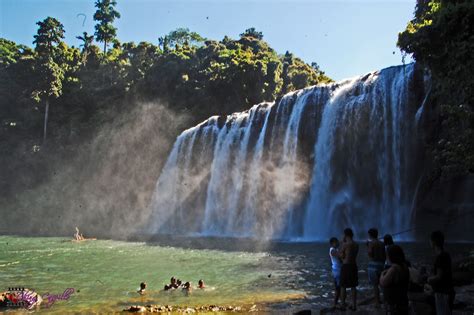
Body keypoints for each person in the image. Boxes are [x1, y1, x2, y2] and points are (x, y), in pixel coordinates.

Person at [428, 231, 454, 315]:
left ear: (434, 242)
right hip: (448, 290)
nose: (430, 242)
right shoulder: (446, 254)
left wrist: (429, 279)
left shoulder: (440, 257)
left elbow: (439, 276)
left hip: (443, 293)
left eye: (430, 240)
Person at [380, 245, 410, 315]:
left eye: (387, 255)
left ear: (391, 256)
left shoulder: (394, 269)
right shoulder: (404, 265)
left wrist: (382, 274)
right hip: (403, 300)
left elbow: (382, 282)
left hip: (394, 304)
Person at [339, 228, 359, 311]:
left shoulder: (345, 244)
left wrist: (342, 244)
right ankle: (354, 305)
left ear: (345, 235)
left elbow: (342, 256)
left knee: (343, 286)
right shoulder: (356, 244)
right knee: (353, 286)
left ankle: (343, 305)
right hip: (354, 265)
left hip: (346, 266)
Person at [367, 228, 386, 307]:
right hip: (381, 264)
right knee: (383, 284)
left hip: (373, 265)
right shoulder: (382, 243)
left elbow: (370, 254)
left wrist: (368, 246)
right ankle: (385, 300)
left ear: (370, 235)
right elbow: (384, 255)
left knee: (375, 285)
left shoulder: (371, 243)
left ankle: (377, 302)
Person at [329, 237, 342, 308]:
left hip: (337, 270)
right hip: (337, 270)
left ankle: (337, 302)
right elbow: (340, 256)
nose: (338, 243)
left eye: (337, 242)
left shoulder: (335, 249)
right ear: (332, 243)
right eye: (336, 242)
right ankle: (335, 303)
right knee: (338, 288)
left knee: (339, 288)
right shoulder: (332, 250)